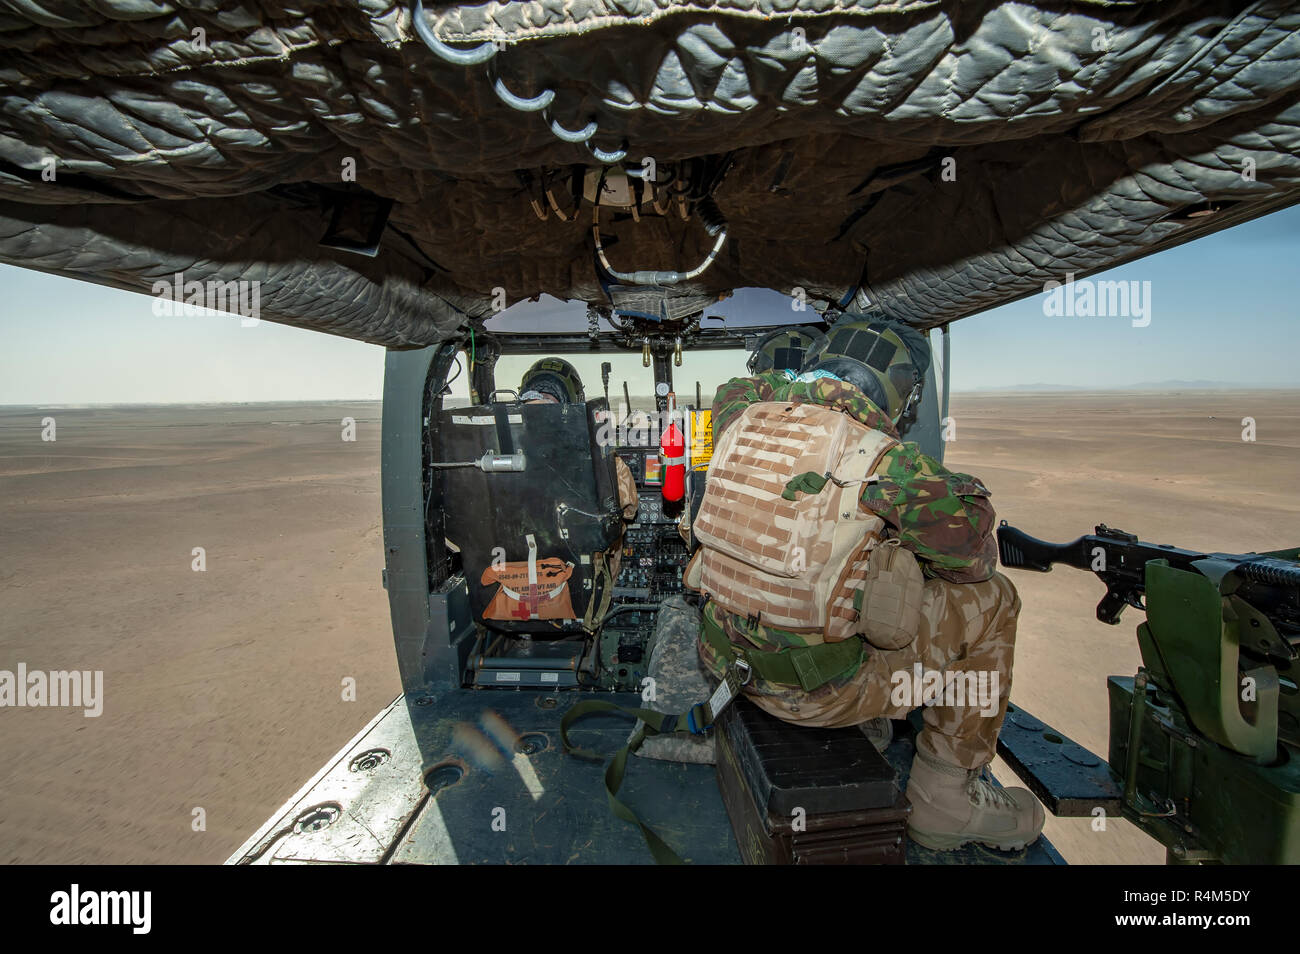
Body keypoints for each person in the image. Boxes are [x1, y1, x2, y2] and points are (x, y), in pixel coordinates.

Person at [693, 317, 1044, 852]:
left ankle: (873, 722)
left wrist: (802, 384)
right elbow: (974, 559)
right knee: (994, 602)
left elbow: (736, 388)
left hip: (725, 664)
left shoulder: (737, 421)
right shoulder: (888, 461)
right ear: (901, 391)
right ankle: (945, 801)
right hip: (811, 696)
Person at [519, 358, 639, 564]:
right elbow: (629, 509)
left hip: (515, 566)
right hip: (582, 568)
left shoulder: (496, 454)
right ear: (573, 401)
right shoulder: (600, 457)